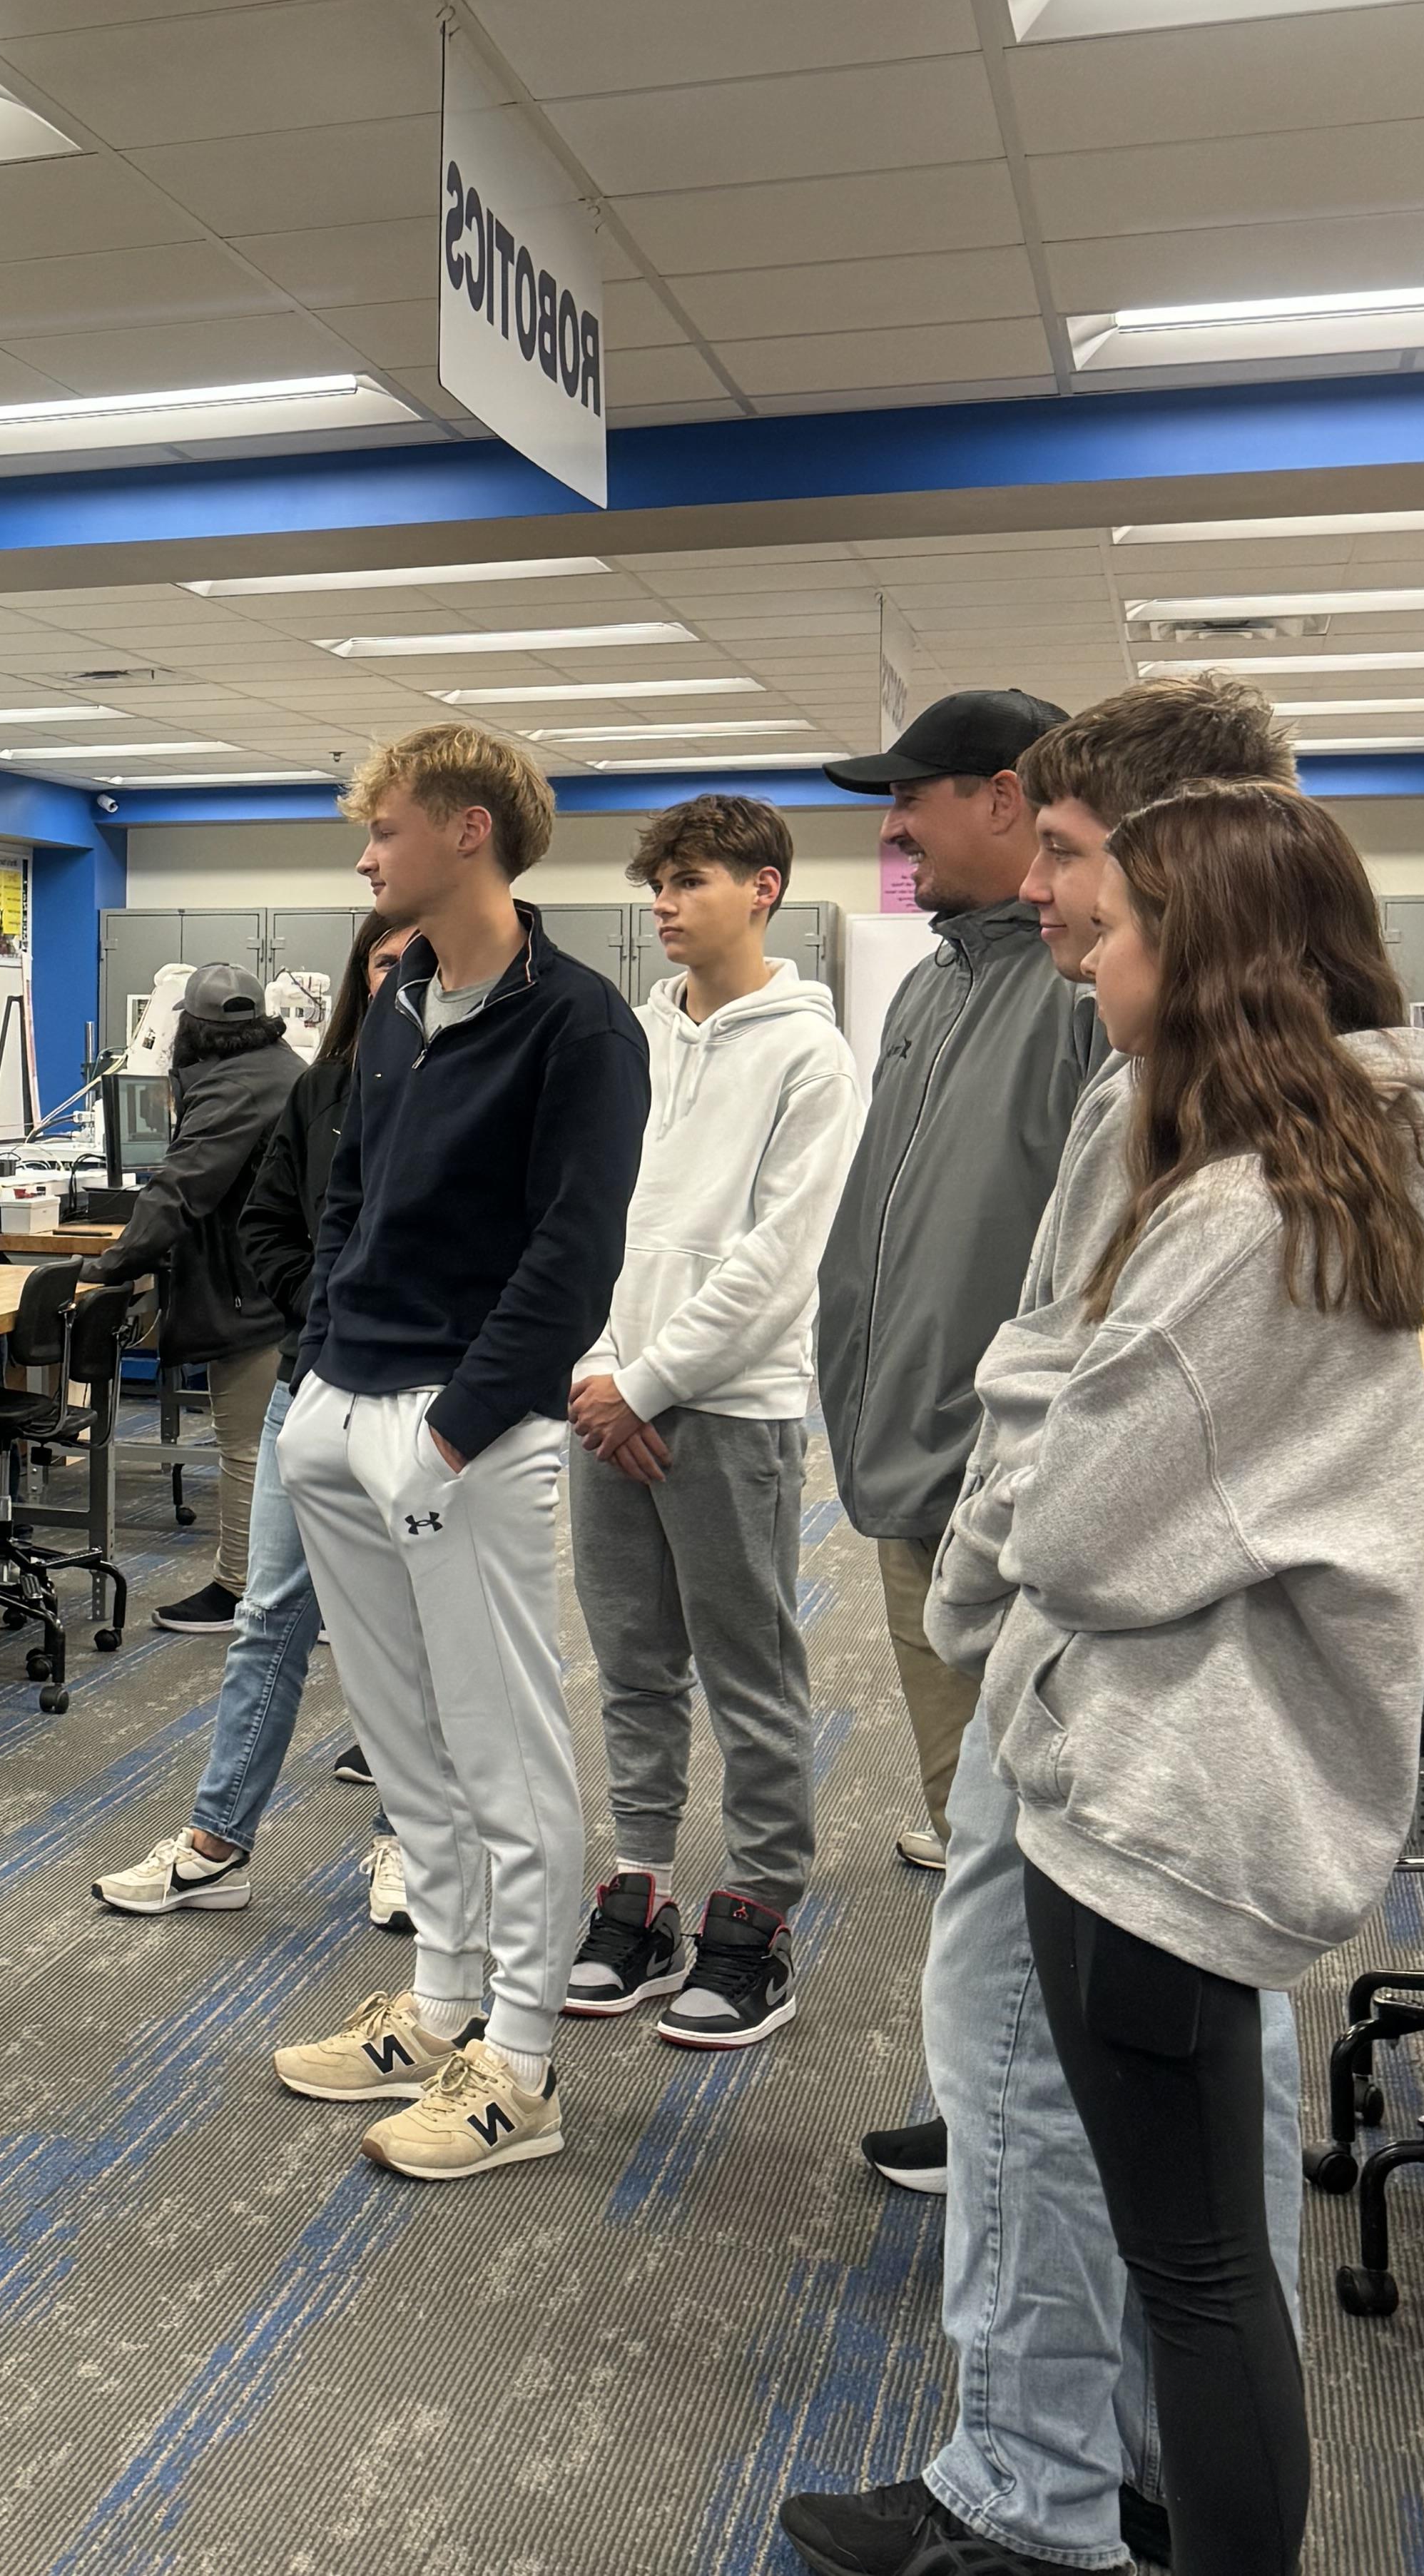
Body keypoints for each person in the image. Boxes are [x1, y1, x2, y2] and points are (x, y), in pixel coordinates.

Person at [797, 784, 1424, 2576]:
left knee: (1197, 2279)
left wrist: (1037, 1444)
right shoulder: (1270, 1171)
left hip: (1164, 1804)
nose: (1082, 948)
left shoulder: (1243, 1217)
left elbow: (1089, 1535)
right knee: (1185, 2259)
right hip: (1172, 1771)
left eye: (1106, 919)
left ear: (1198, 960)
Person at [790, 673, 1313, 2576]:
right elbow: (979, 1289)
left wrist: (986, 1530)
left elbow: (1103, 1404)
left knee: (1081, 2065)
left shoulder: (1192, 1088)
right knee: (1043, 2035)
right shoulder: (973, 996)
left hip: (1088, 1632)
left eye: (1078, 854)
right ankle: (1068, 2467)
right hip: (986, 1543)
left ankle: (1053, 2491)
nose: (901, 836)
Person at [267, 727, 646, 2182]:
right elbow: (348, 1201)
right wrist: (314, 1378)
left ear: (469, 832)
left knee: (505, 1751)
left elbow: (574, 1253)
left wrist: (458, 1423)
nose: (367, 859)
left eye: (387, 831)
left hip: (466, 1430)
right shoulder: (403, 1002)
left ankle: (525, 2062)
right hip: (342, 1410)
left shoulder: (580, 1026)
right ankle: (435, 2010)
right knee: (406, 1743)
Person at [561, 796, 860, 2052]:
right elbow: (583, 1223)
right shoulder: (633, 1042)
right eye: (655, 884)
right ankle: (640, 1888)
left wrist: (650, 1378)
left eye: (687, 881)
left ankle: (758, 1910)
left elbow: (775, 1263)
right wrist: (595, 1367)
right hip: (605, 1397)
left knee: (750, 1668)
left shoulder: (811, 1056)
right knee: (631, 1662)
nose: (662, 904)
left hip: (724, 1408)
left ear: (764, 887)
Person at [810, 690, 1095, 1883]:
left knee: (1042, 1850)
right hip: (906, 1460)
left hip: (1012, 1497)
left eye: (908, 797)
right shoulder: (932, 987)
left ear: (1003, 797)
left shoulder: (1085, 995)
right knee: (972, 1817)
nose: (891, 828)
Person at [86, 920, 411, 1930]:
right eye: (385, 962)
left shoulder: (465, 1090)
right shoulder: (320, 1083)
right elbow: (273, 1220)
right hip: (310, 1376)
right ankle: (216, 1843)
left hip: (418, 1394)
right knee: (270, 1618)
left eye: (422, 962)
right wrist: (324, 1304)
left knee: (404, 1630)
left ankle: (410, 1845)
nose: (403, 978)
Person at [86, 961, 305, 1637]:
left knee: (250, 1446)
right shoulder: (278, 1067)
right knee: (284, 1449)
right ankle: (300, 1592)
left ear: (192, 1031)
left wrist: (112, 1265)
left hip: (257, 1293)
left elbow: (181, 1187)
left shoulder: (233, 1089)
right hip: (285, 1282)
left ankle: (242, 1590)